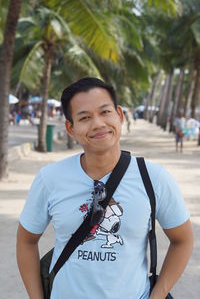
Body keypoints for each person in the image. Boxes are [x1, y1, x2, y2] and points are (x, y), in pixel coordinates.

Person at [17, 77, 193, 299]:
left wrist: (158, 295)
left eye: (105, 112)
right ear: (70, 128)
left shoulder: (154, 178)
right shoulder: (50, 179)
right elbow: (26, 240)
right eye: (85, 117)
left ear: (119, 115)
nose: (98, 123)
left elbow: (183, 239)